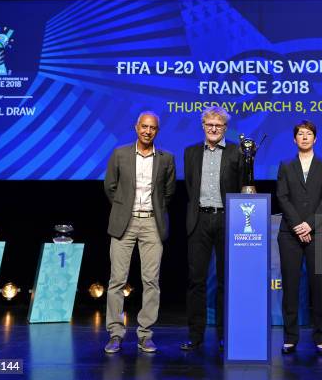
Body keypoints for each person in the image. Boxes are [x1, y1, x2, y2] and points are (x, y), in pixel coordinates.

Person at [103, 111, 175, 353]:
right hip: (125, 222)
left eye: (152, 128)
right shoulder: (120, 154)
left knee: (151, 281)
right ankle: (115, 333)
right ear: (136, 128)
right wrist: (124, 209)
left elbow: (168, 192)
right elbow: (110, 187)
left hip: (152, 224)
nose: (147, 131)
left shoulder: (166, 158)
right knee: (117, 280)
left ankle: (145, 334)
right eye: (144, 127)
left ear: (157, 131)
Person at [180, 106, 242, 351]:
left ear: (225, 128)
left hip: (227, 219)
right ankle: (195, 336)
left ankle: (223, 335)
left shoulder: (237, 152)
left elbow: (242, 186)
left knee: (226, 281)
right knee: (196, 281)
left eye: (218, 125)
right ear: (203, 127)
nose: (214, 129)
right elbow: (190, 188)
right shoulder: (191, 152)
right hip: (200, 220)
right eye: (209, 125)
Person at [276, 120, 322, 355]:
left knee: (320, 287)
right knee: (290, 288)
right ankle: (290, 337)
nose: (304, 137)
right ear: (294, 139)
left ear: (315, 139)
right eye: (300, 134)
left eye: (308, 134)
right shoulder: (285, 166)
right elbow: (282, 196)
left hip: (318, 232)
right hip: (289, 234)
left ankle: (321, 337)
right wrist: (298, 225)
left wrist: (309, 225)